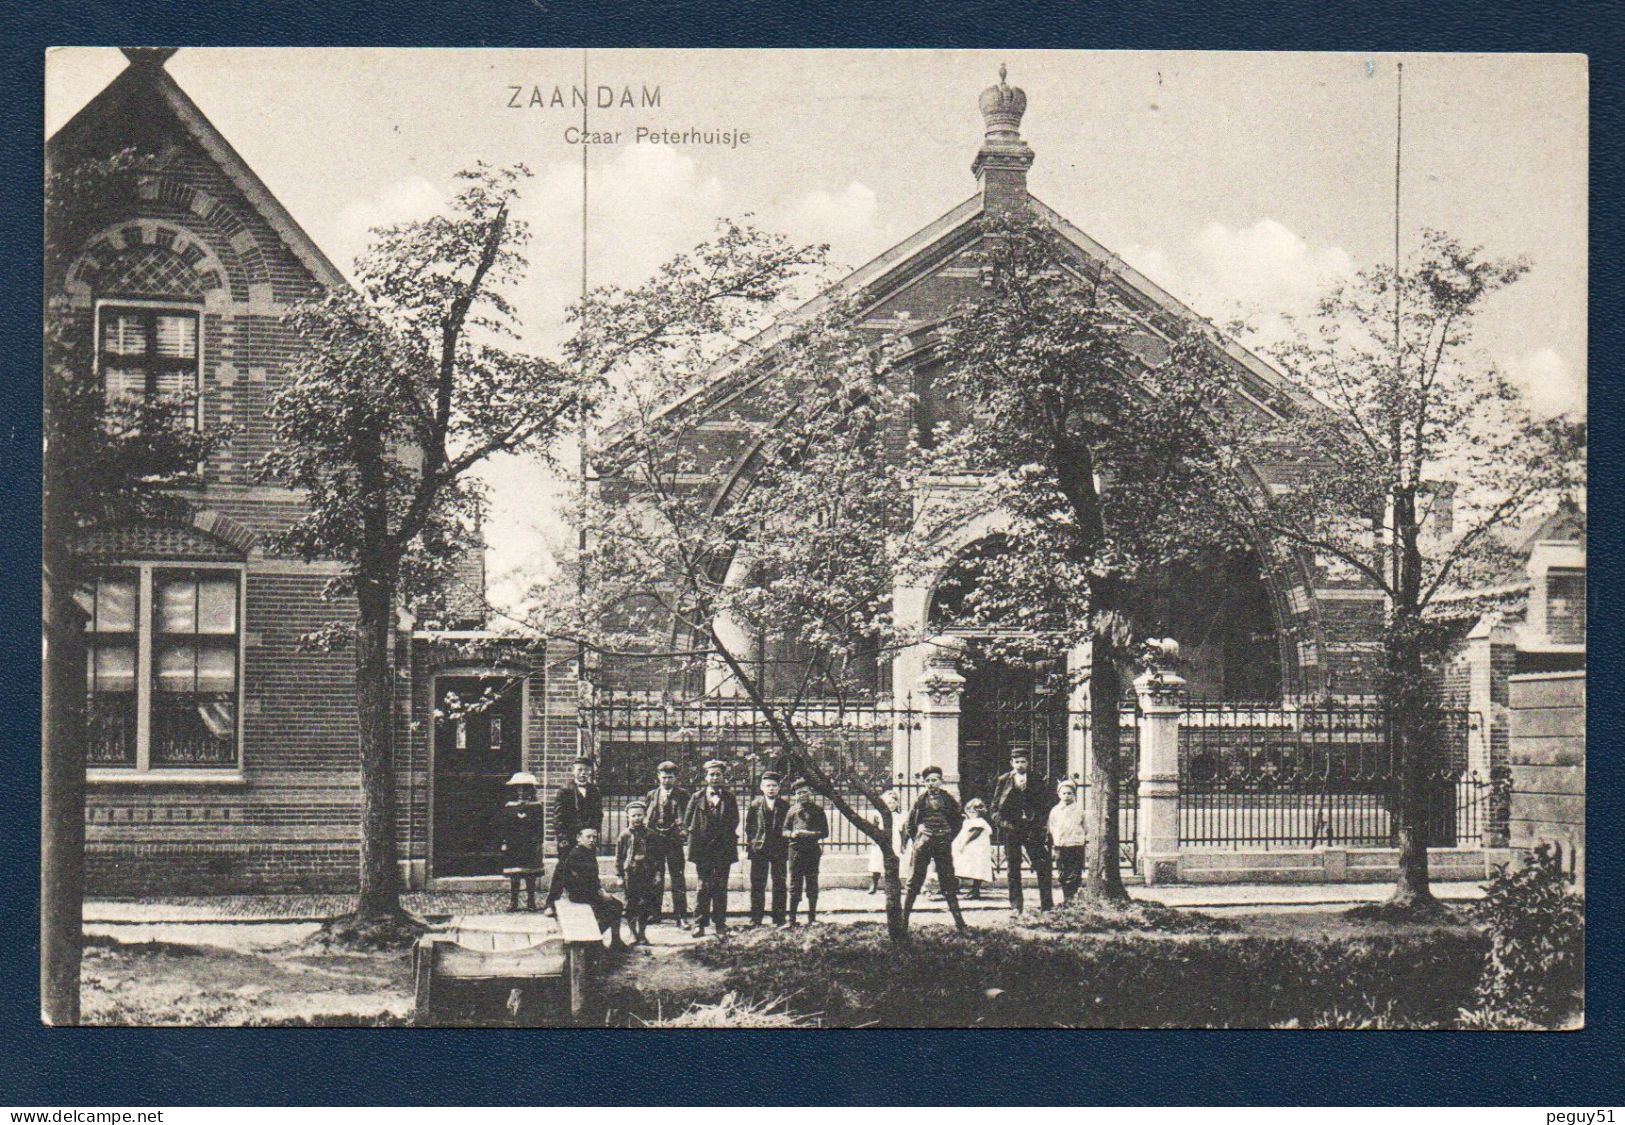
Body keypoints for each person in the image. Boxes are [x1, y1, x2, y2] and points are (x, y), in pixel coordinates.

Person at [902, 765, 969, 932]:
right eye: (928, 781)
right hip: (923, 843)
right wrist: (918, 839)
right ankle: (903, 922)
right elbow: (910, 824)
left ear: (941, 781)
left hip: (942, 843)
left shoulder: (949, 800)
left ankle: (960, 923)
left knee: (948, 882)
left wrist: (947, 837)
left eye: (934, 780)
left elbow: (958, 821)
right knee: (914, 882)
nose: (931, 784)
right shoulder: (920, 800)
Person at [992, 749, 1056, 912]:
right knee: (1013, 867)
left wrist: (1039, 823)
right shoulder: (1004, 780)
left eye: (1023, 762)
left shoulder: (1036, 779)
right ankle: (1016, 905)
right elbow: (994, 809)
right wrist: (1004, 824)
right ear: (1011, 763)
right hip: (1011, 829)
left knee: (1042, 865)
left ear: (1028, 763)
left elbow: (1044, 805)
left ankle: (1047, 905)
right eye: (1017, 762)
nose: (1020, 765)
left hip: (1032, 829)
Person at [683, 758, 740, 937]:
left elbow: (734, 821)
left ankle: (720, 924)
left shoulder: (730, 798)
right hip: (703, 849)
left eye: (718, 775)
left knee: (721, 886)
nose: (715, 778)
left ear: (723, 777)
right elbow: (688, 821)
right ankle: (699, 923)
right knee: (703, 886)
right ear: (706, 777)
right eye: (712, 775)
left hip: (723, 848)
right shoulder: (697, 797)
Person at [545, 826, 627, 949]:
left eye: (594, 837)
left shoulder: (587, 852)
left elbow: (593, 878)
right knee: (615, 907)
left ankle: (612, 940)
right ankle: (592, 941)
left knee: (615, 905)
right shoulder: (576, 855)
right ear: (579, 838)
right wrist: (599, 894)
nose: (592, 840)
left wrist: (600, 890)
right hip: (580, 895)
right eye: (588, 837)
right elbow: (578, 881)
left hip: (588, 893)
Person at [644, 759, 691, 928]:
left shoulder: (683, 794)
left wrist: (682, 831)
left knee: (678, 878)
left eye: (670, 777)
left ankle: (681, 916)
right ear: (658, 777)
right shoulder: (652, 794)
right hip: (655, 841)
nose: (666, 781)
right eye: (663, 777)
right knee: (656, 878)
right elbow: (647, 817)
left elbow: (687, 817)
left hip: (674, 841)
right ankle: (655, 913)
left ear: (676, 778)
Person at [744, 770, 791, 927]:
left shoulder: (785, 806)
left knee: (779, 884)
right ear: (762, 788)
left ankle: (779, 918)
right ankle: (756, 919)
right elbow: (749, 827)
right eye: (768, 786)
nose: (771, 789)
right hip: (760, 850)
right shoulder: (755, 805)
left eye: (774, 786)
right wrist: (754, 843)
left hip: (779, 849)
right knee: (758, 884)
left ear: (779, 788)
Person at [497, 771, 547, 912]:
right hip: (514, 844)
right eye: (518, 788)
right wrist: (504, 842)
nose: (521, 791)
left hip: (530, 844)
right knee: (515, 874)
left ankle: (531, 901)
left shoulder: (537, 807)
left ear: (531, 789)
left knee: (530, 874)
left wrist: (538, 842)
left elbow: (539, 827)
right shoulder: (509, 807)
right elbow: (505, 826)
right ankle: (514, 902)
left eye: (525, 788)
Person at [783, 778, 829, 926]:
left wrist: (809, 834)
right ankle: (792, 919)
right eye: (799, 793)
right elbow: (784, 830)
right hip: (795, 851)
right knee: (795, 885)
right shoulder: (792, 810)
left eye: (805, 792)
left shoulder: (818, 810)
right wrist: (792, 834)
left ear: (811, 793)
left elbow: (825, 832)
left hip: (812, 850)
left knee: (812, 883)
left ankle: (812, 918)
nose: (802, 795)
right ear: (795, 795)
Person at [615, 800, 660, 944]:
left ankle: (642, 933)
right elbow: (619, 857)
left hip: (647, 874)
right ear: (628, 817)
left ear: (645, 816)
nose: (637, 818)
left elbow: (657, 856)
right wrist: (620, 875)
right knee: (631, 904)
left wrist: (657, 874)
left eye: (640, 815)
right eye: (633, 816)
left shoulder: (651, 835)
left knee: (645, 904)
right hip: (631, 874)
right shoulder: (624, 835)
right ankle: (633, 933)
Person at [1049, 778, 1089, 903]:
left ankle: (1072, 897)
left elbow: (1086, 826)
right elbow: (1052, 826)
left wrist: (1081, 838)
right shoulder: (1055, 811)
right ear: (1059, 794)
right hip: (1061, 845)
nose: (1066, 796)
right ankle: (1066, 895)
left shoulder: (1079, 810)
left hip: (1076, 845)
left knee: (1075, 872)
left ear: (1074, 794)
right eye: (1064, 793)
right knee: (1062, 872)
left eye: (1069, 793)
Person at [553, 756, 603, 858]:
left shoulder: (594, 790)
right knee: (566, 866)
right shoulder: (565, 790)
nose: (583, 773)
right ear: (573, 771)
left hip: (587, 837)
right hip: (570, 836)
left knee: (587, 865)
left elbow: (598, 814)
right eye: (580, 769)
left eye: (586, 770)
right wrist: (562, 838)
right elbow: (559, 816)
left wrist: (593, 832)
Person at [867, 789, 911, 895]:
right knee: (877, 861)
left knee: (896, 861)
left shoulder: (900, 816)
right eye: (888, 803)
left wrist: (903, 844)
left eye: (893, 803)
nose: (891, 805)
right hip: (881, 840)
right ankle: (874, 884)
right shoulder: (878, 814)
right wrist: (874, 839)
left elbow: (903, 831)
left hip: (895, 840)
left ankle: (895, 885)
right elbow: (873, 827)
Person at [951, 797, 994, 900]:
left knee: (977, 868)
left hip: (976, 849)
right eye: (969, 810)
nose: (970, 812)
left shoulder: (979, 821)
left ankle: (975, 890)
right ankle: (960, 887)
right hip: (972, 849)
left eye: (972, 810)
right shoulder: (971, 821)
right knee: (966, 867)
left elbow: (974, 833)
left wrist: (964, 843)